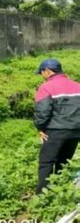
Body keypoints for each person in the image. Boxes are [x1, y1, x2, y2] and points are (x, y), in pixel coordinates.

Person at [34, 59, 80, 194]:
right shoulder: (77, 86)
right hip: (76, 131)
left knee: (46, 163)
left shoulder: (46, 87)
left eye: (42, 72)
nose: (42, 75)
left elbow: (42, 111)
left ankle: (42, 197)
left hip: (55, 131)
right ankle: (61, 191)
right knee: (64, 161)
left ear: (47, 71)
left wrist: (40, 128)